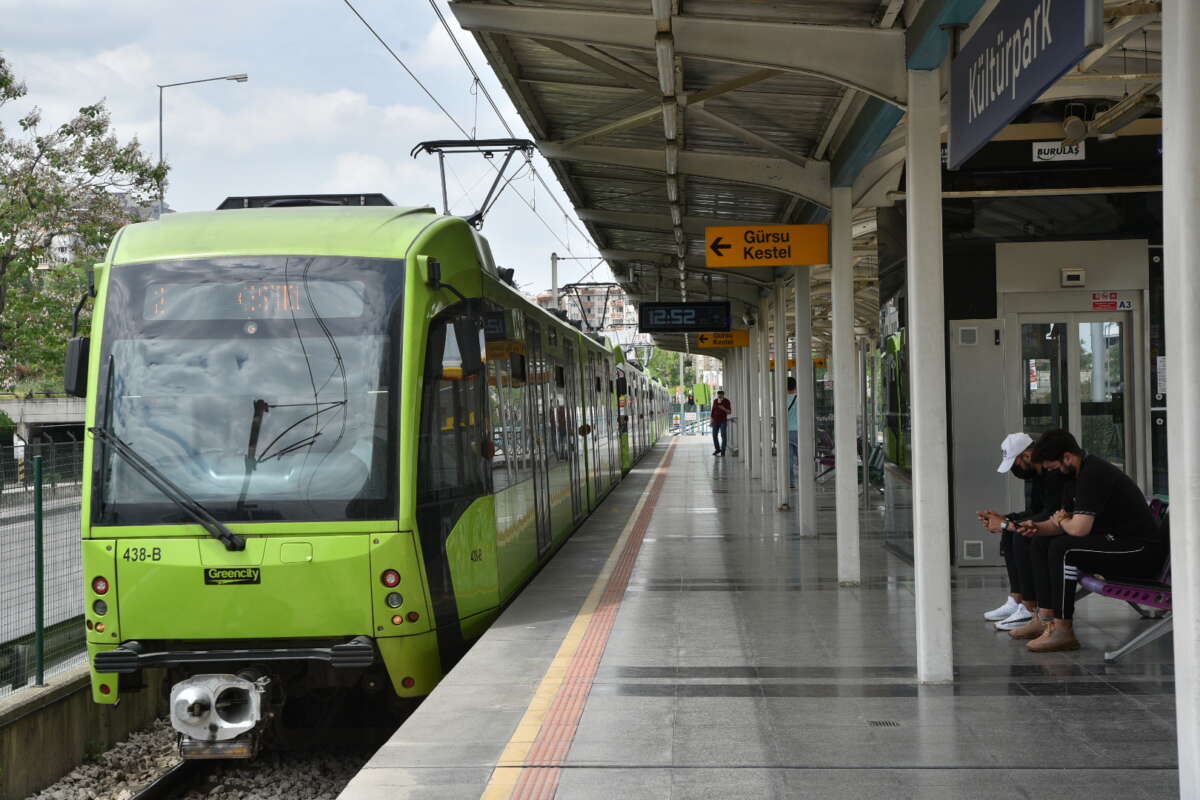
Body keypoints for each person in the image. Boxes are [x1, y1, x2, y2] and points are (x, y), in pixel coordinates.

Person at [1017, 429, 1166, 652]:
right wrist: (1037, 527)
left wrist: (1062, 521)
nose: (1052, 473)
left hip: (1140, 552)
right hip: (1115, 542)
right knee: (1041, 541)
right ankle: (1045, 618)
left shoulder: (1093, 474)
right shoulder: (1072, 476)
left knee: (1063, 549)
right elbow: (1061, 522)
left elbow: (1078, 529)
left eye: (1053, 467)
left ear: (1067, 457)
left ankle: (1063, 630)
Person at [976, 433, 1071, 632]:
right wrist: (1005, 518)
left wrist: (1006, 523)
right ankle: (1017, 599)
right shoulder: (1039, 477)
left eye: (1015, 464)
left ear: (1026, 455)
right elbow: (1035, 511)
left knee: (1021, 536)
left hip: (1064, 527)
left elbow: (1050, 514)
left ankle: (1029, 606)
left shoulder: (1054, 475)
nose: (1015, 470)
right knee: (1011, 533)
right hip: (1054, 523)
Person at [786, 377, 799, 487]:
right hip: (798, 431)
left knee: (789, 459)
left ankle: (791, 482)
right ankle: (805, 479)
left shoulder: (782, 399)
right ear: (795, 386)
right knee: (802, 457)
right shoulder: (799, 398)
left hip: (786, 432)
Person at [711, 389, 731, 456]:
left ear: (723, 395)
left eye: (720, 395)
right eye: (718, 395)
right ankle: (717, 449)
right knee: (714, 435)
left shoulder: (727, 401)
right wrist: (711, 420)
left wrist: (723, 409)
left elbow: (729, 412)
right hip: (715, 421)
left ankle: (723, 451)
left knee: (723, 435)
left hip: (723, 421)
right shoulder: (715, 401)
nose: (719, 397)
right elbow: (713, 411)